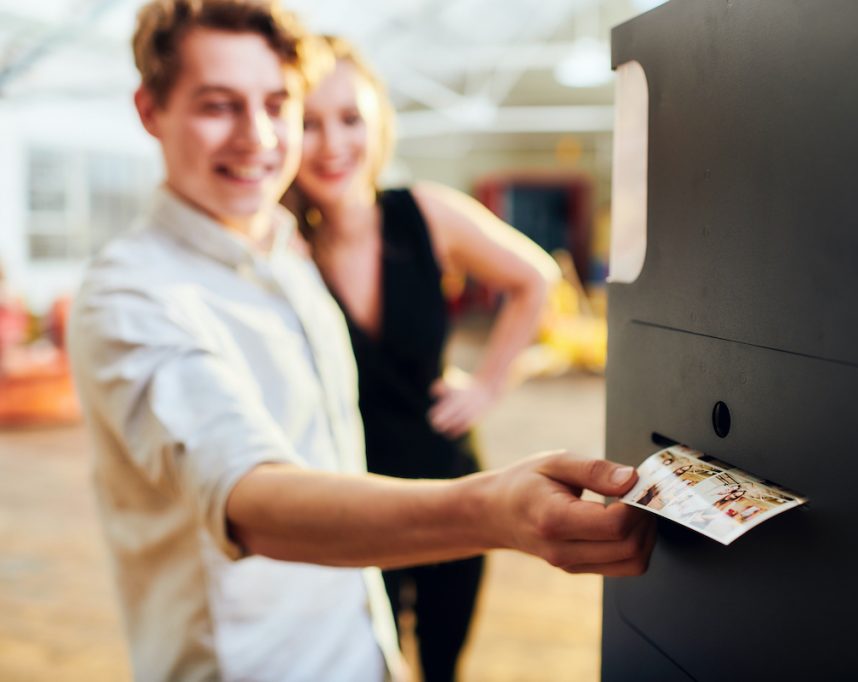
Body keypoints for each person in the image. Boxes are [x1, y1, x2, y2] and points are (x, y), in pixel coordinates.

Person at [66, 2, 655, 681]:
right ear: (150, 111)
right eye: (217, 105)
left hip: (357, 646)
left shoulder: (286, 255)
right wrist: (493, 509)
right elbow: (251, 500)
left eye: (278, 103)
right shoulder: (134, 294)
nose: (258, 136)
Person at [284, 36, 560, 681]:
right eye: (307, 123)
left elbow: (536, 280)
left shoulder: (426, 214)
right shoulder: (282, 249)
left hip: (447, 480)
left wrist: (489, 385)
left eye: (349, 118)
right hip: (344, 497)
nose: (331, 145)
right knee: (361, 659)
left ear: (378, 122)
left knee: (442, 664)